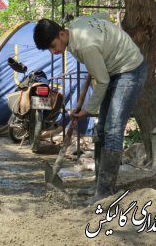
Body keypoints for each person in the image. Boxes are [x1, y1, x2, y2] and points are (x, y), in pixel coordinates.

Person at [33, 14, 147, 204]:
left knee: (112, 130)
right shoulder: (76, 27)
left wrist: (87, 110)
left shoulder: (85, 46)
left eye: (53, 46)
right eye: (49, 49)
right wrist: (97, 60)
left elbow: (102, 81)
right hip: (113, 70)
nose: (53, 52)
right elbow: (102, 17)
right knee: (101, 129)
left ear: (61, 34)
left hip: (130, 70)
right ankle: (99, 186)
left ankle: (104, 192)